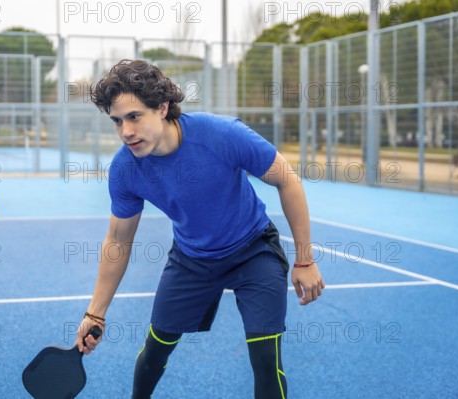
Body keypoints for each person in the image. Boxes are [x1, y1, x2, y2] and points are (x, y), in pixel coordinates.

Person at [75, 59, 325, 399]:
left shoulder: (222, 135)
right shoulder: (125, 169)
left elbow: (287, 180)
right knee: (156, 349)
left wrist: (305, 260)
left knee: (266, 356)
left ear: (162, 107)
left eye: (134, 117)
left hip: (254, 251)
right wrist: (95, 313)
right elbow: (118, 240)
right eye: (117, 121)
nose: (126, 132)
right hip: (192, 259)